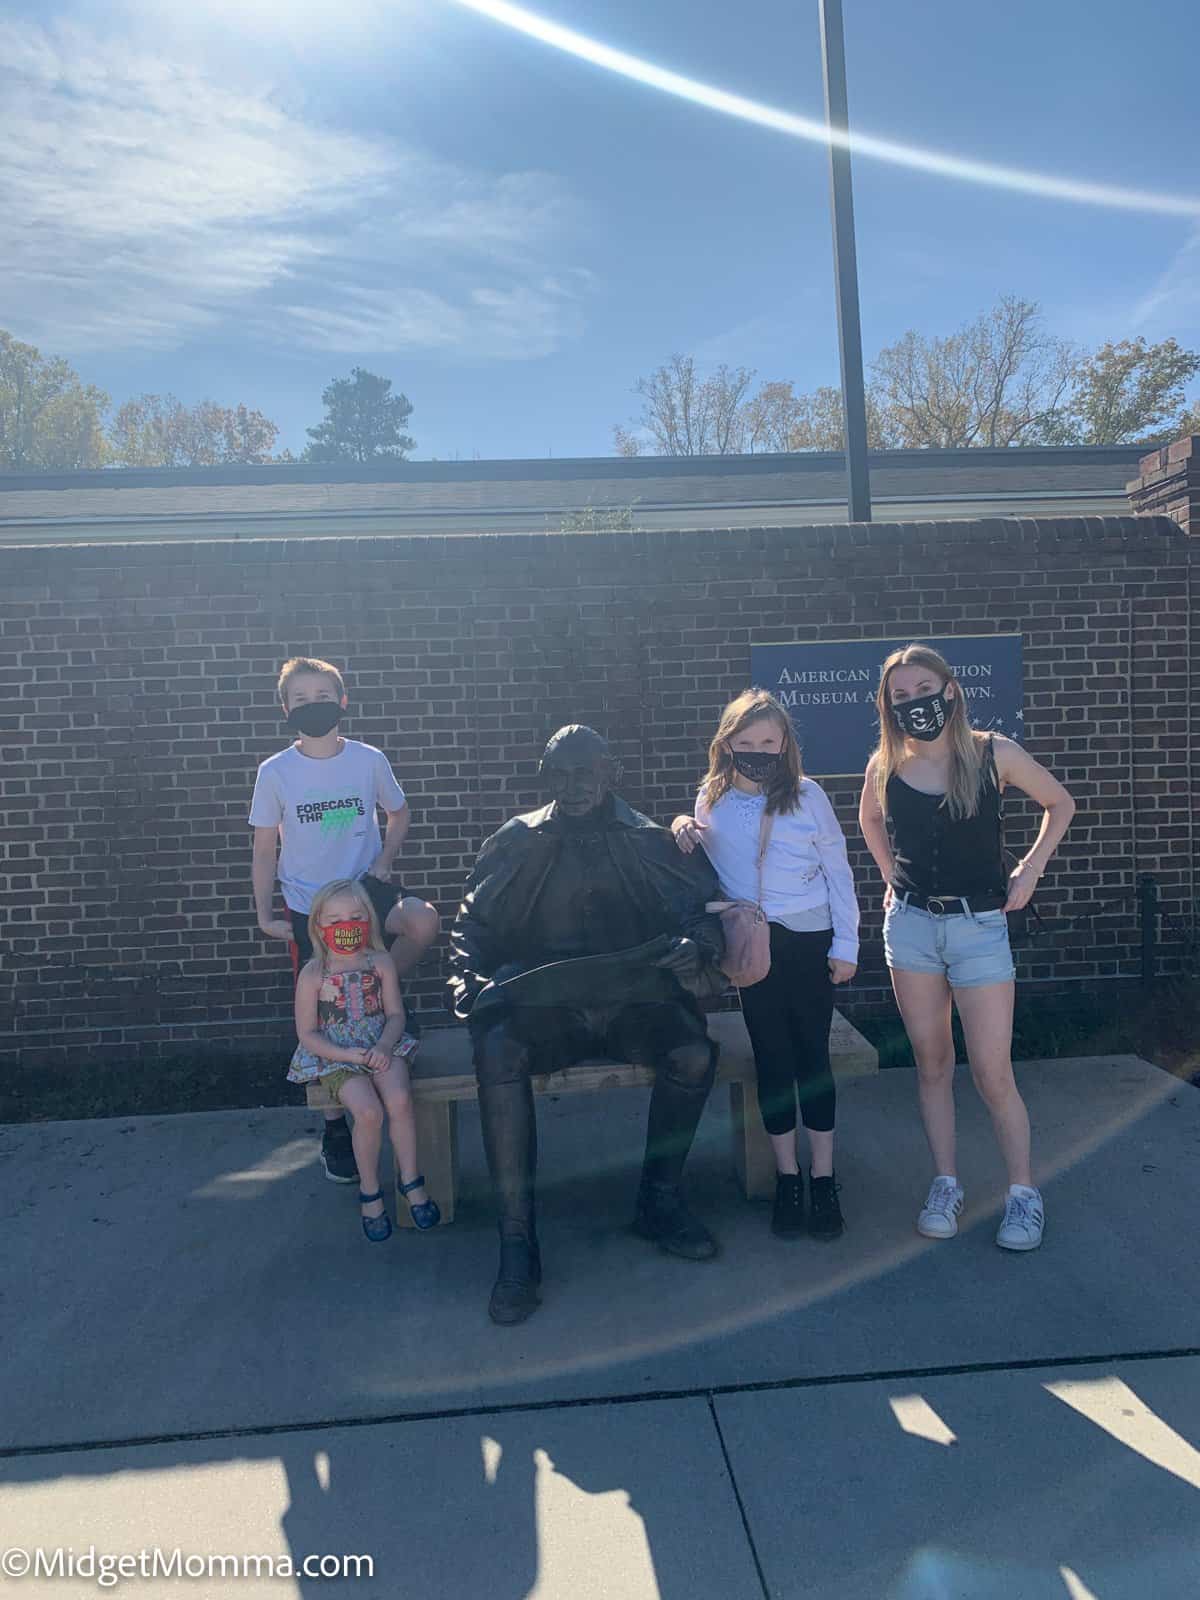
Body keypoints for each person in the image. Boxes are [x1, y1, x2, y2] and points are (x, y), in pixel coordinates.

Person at [448, 724, 729, 1326]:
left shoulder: (650, 840)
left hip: (633, 1002)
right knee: (496, 1053)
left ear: (611, 775)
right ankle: (517, 1241)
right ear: (544, 776)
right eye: (559, 773)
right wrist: (467, 984)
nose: (571, 786)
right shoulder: (516, 839)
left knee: (694, 1055)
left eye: (584, 773)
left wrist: (695, 945)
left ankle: (659, 1200)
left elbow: (704, 913)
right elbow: (472, 924)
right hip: (546, 1007)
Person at [857, 643, 1075, 1252]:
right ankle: (946, 1183)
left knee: (991, 1070)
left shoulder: (992, 753)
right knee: (931, 1064)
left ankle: (1023, 1193)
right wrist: (888, 880)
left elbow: (1060, 803)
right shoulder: (886, 764)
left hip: (980, 927)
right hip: (912, 930)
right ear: (888, 704)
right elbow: (871, 822)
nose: (912, 702)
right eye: (899, 695)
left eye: (922, 688)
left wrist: (1029, 871)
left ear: (949, 689)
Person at [672, 689, 859, 1241]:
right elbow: (704, 859)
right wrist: (684, 820)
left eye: (768, 742)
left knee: (812, 1058)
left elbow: (839, 872)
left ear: (785, 744)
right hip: (754, 946)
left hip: (808, 938)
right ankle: (787, 1176)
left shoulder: (808, 796)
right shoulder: (712, 796)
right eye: (746, 741)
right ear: (727, 743)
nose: (757, 750)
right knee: (772, 1061)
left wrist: (846, 945)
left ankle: (823, 1178)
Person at [250, 655, 438, 1184]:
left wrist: (384, 862)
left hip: (366, 893)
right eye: (301, 700)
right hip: (312, 907)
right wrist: (265, 912)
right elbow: (265, 849)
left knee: (423, 922)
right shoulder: (275, 773)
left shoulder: (368, 760)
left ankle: (384, 1004)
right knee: (324, 1011)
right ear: (286, 709)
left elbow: (398, 812)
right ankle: (335, 1127)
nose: (314, 707)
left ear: (343, 702)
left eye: (323, 697)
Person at [288, 879, 440, 1238]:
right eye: (336, 919)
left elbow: (396, 1015)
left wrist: (385, 1046)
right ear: (319, 926)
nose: (347, 925)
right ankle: (370, 1191)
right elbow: (307, 1033)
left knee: (400, 1099)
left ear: (369, 920)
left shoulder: (381, 962)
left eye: (356, 916)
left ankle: (410, 1179)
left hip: (381, 1044)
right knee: (368, 1112)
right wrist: (343, 1053)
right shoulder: (313, 973)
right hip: (337, 1056)